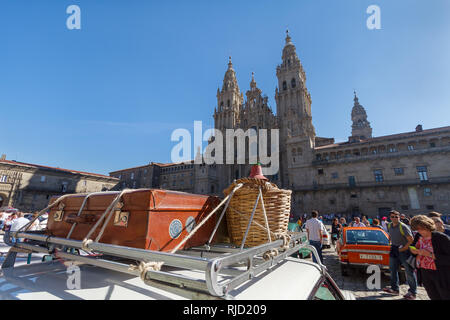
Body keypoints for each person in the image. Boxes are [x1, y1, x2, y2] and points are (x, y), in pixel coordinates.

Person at [409, 215, 450, 300]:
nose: (419, 231)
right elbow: (413, 248)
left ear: (427, 225)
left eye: (421, 228)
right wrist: (414, 251)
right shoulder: (418, 236)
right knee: (433, 296)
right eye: (417, 229)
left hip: (441, 273)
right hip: (425, 272)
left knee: (445, 296)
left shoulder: (440, 237)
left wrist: (430, 255)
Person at [383, 210, 417, 299]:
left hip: (404, 250)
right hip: (394, 248)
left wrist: (403, 249)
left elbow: (411, 240)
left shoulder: (403, 226)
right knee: (392, 269)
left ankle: (412, 292)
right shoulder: (389, 225)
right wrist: (390, 243)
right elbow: (390, 235)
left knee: (409, 271)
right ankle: (395, 289)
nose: (395, 218)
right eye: (393, 217)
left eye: (396, 216)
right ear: (390, 218)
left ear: (399, 217)